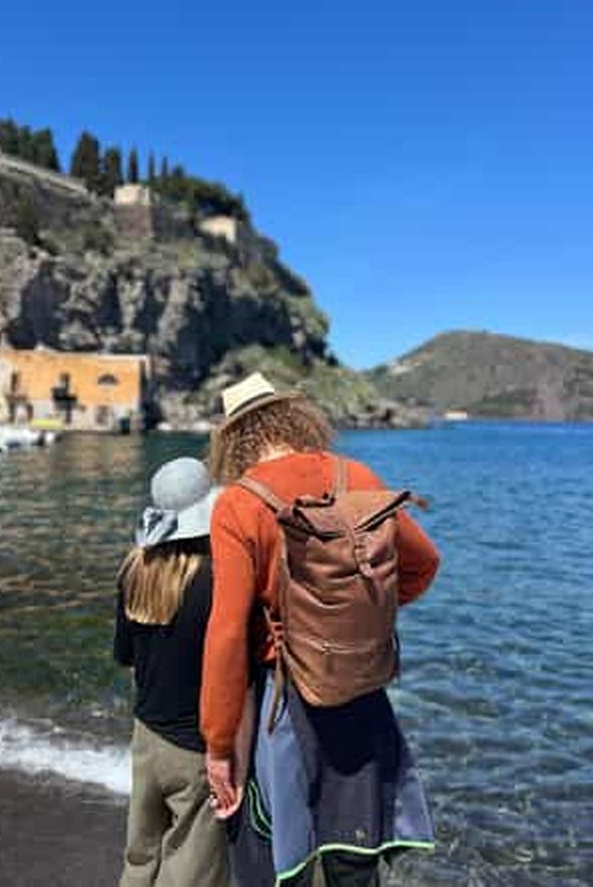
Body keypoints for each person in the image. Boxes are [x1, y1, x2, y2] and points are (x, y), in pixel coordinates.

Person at [201, 373, 441, 887]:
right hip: (362, 688)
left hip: (286, 703)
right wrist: (357, 613)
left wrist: (219, 746)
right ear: (295, 419)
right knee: (357, 861)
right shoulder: (356, 474)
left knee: (283, 854)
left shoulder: (238, 504)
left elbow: (226, 635)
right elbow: (423, 563)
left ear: (234, 439)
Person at [115, 456, 232, 887]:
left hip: (146, 735)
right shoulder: (215, 582)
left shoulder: (134, 570)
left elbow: (126, 656)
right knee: (191, 869)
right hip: (195, 747)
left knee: (140, 856)